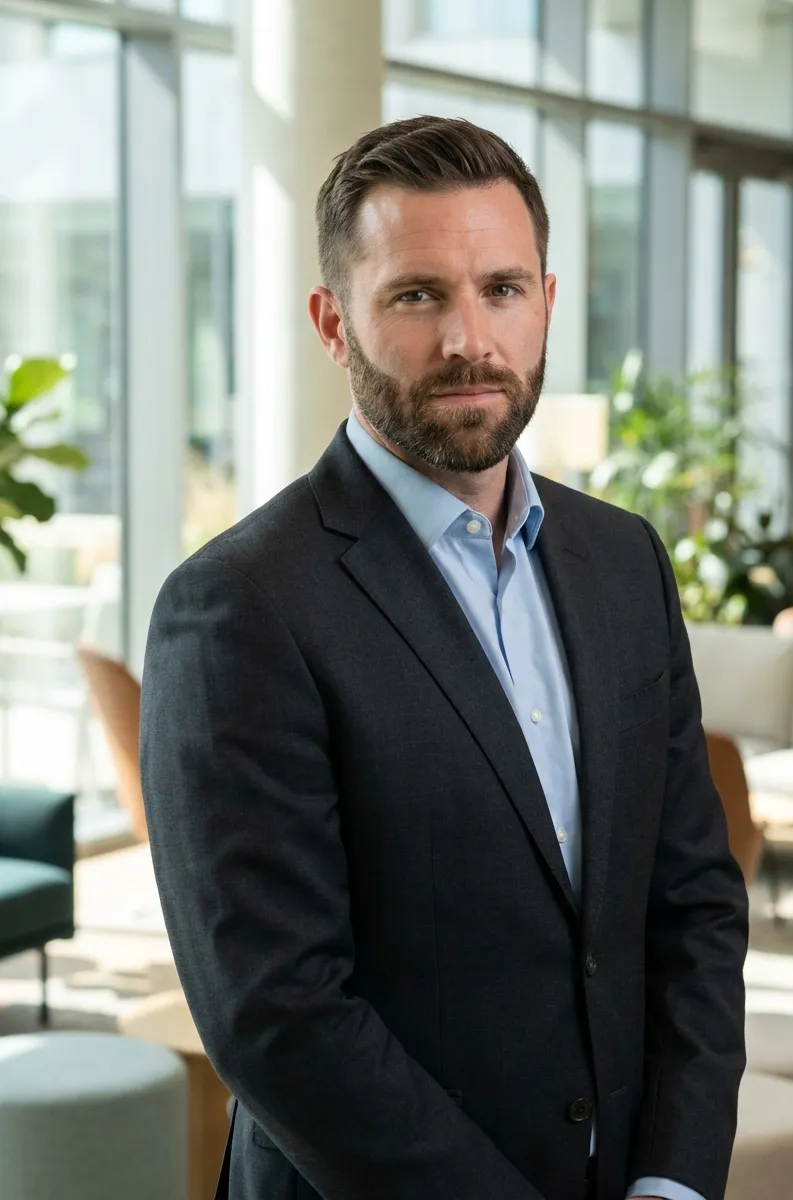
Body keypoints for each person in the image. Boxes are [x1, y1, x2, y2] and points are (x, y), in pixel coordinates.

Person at [140, 116, 748, 1200]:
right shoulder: (238, 606)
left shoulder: (622, 560)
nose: (470, 338)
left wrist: (673, 1177)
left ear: (547, 302)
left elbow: (691, 901)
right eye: (417, 295)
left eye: (502, 289)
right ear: (334, 323)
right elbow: (277, 1011)